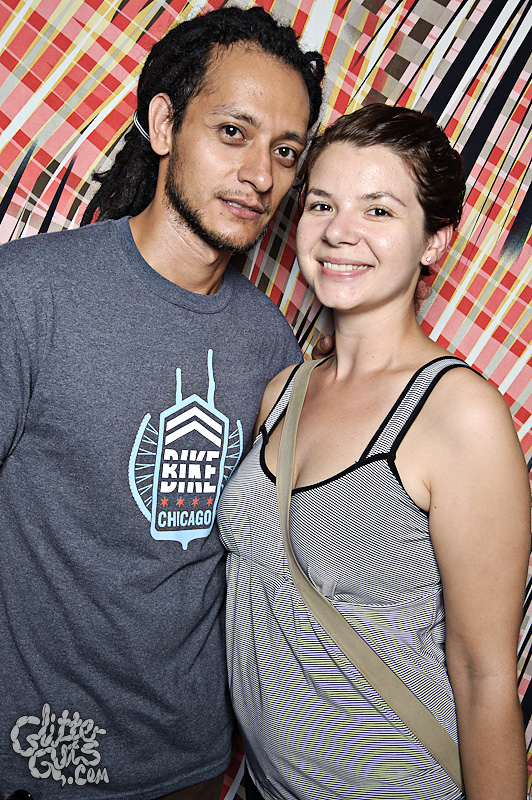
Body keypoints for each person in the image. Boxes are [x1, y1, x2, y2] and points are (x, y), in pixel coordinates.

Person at [0, 7, 324, 799]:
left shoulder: (273, 349)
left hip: (191, 766)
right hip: (37, 762)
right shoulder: (29, 293)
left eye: (286, 152)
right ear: (164, 124)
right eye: (233, 132)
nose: (261, 175)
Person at [218, 104, 531, 800]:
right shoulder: (283, 392)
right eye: (322, 204)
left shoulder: (458, 415)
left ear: (434, 242)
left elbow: (485, 677)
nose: (339, 231)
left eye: (379, 210)